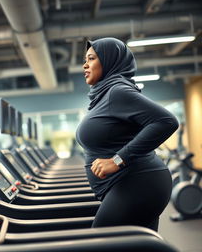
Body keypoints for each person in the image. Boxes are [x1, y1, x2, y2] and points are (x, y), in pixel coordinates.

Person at [76, 37, 179, 231]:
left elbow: (166, 121)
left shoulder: (117, 91)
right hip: (132, 182)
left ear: (108, 61)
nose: (85, 65)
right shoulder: (105, 94)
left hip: (138, 183)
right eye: (85, 60)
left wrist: (117, 160)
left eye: (91, 59)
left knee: (100, 242)